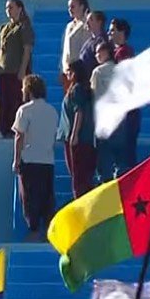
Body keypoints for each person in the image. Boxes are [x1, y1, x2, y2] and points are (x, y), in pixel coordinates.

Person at [12, 75, 58, 241]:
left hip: (29, 159)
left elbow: (19, 135)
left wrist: (16, 159)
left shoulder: (25, 110)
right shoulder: (52, 111)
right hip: (47, 160)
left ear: (28, 90)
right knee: (46, 196)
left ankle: (33, 230)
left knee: (29, 198)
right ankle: (47, 231)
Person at [0, 0, 34, 136]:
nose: (8, 10)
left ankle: (19, 129)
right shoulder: (3, 28)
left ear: (19, 8)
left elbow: (27, 48)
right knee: (4, 101)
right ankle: (5, 129)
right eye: (7, 8)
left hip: (17, 71)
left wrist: (23, 69)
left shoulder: (24, 26)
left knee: (17, 100)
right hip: (4, 71)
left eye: (11, 7)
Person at [59, 60, 96, 199]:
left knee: (79, 179)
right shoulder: (85, 89)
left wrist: (74, 135)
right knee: (84, 178)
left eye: (69, 71)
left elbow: (78, 112)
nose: (67, 73)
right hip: (86, 139)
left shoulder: (77, 90)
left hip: (77, 140)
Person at [109, 17, 139, 170]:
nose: (110, 33)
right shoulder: (119, 51)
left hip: (126, 112)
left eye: (113, 30)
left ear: (122, 32)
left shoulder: (123, 52)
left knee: (125, 156)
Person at [90, 42, 120, 182]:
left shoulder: (98, 72)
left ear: (106, 52)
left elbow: (94, 96)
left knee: (103, 164)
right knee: (118, 163)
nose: (97, 56)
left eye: (99, 52)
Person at [59, 0, 90, 89]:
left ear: (82, 7)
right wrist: (64, 69)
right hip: (68, 71)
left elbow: (85, 47)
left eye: (73, 6)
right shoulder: (69, 25)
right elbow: (65, 50)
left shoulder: (87, 24)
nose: (70, 9)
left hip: (80, 71)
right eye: (69, 7)